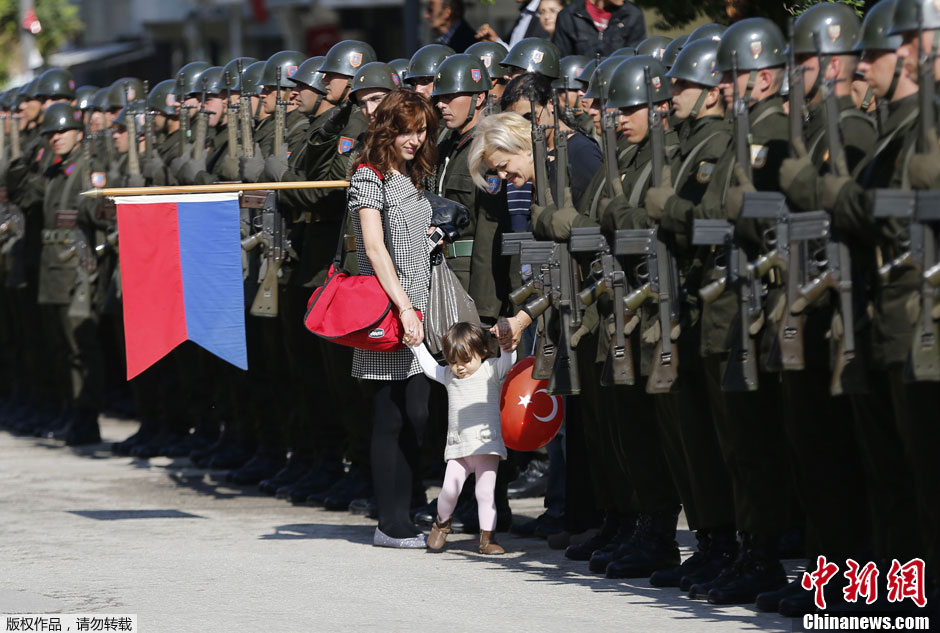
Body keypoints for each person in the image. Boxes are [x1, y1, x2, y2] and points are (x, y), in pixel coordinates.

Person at [348, 89, 438, 548]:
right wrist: (402, 306)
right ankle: (391, 522)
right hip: (388, 309)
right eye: (406, 129)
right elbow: (374, 248)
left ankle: (405, 511)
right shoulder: (368, 176)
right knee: (391, 415)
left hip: (420, 308)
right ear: (387, 128)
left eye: (421, 130)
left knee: (417, 413)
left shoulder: (415, 176)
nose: (414, 139)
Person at [410, 322, 516, 554]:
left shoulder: (492, 368)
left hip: (487, 447)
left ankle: (487, 539)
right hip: (459, 448)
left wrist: (507, 345)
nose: (459, 368)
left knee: (485, 494)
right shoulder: (449, 376)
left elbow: (509, 361)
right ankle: (441, 524)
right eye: (453, 362)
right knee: (448, 491)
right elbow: (430, 368)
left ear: (482, 352)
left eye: (466, 361)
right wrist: (417, 347)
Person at [552, 0, 646, 58]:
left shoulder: (632, 15)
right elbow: (561, 61)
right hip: (580, 87)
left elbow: (636, 60)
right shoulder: (569, 15)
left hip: (619, 86)